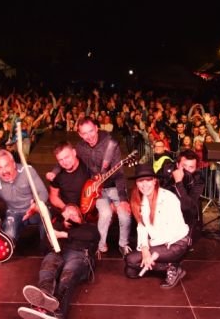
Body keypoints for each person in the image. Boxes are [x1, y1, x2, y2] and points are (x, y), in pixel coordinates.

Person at [47, 117, 132, 257]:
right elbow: (64, 158)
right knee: (105, 214)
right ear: (80, 134)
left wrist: (123, 199)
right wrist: (55, 172)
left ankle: (123, 244)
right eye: (84, 133)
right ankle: (100, 245)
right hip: (97, 189)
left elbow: (120, 174)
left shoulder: (111, 144)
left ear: (97, 128)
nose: (89, 136)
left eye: (91, 131)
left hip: (114, 186)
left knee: (124, 215)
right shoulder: (80, 148)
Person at [0, 149, 49, 269]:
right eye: (0, 167)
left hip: (34, 209)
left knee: (46, 219)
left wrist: (37, 205)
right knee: (5, 246)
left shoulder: (28, 171)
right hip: (14, 213)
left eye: (6, 166)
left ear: (13, 164)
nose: (4, 171)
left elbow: (43, 193)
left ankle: (48, 251)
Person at [18, 203, 99, 319]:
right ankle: (44, 297)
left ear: (80, 218)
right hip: (59, 253)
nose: (70, 216)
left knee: (67, 277)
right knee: (49, 262)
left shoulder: (88, 227)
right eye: (67, 214)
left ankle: (56, 313)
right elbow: (44, 247)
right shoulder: (57, 228)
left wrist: (64, 234)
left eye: (74, 214)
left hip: (78, 255)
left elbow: (91, 235)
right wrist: (59, 225)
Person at [124, 163, 190, 289]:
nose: (144, 185)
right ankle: (168, 266)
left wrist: (149, 246)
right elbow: (142, 227)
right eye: (140, 181)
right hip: (159, 244)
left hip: (176, 243)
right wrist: (145, 249)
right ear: (136, 183)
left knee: (132, 261)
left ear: (155, 181)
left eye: (148, 180)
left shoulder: (168, 198)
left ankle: (174, 268)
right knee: (130, 268)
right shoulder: (140, 200)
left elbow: (173, 231)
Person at [165, 149, 205, 246]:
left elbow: (187, 206)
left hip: (186, 217)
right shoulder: (168, 172)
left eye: (191, 167)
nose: (187, 170)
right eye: (184, 166)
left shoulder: (198, 180)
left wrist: (178, 183)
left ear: (196, 168)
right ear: (177, 165)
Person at [48, 141, 90, 215]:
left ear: (74, 152)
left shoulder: (87, 165)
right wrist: (66, 209)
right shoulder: (56, 174)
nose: (65, 162)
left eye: (67, 157)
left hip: (89, 212)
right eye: (60, 160)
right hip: (68, 213)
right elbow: (53, 196)